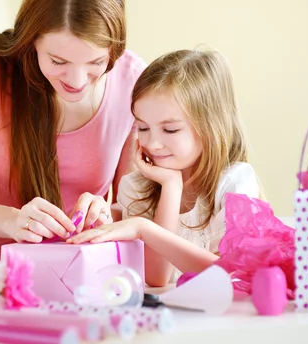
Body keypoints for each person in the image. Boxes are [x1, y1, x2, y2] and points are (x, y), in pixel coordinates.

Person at [0, 0, 147, 248]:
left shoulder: (133, 81)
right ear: (31, 40)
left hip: (87, 273)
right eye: (58, 60)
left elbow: (133, 208)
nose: (77, 80)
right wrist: (10, 220)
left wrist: (107, 214)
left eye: (97, 62)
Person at [67, 48, 261, 287]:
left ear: (211, 127)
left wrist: (144, 229)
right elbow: (156, 278)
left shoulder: (234, 183)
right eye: (143, 128)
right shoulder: (137, 187)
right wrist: (171, 186)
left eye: (170, 130)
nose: (153, 144)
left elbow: (230, 276)